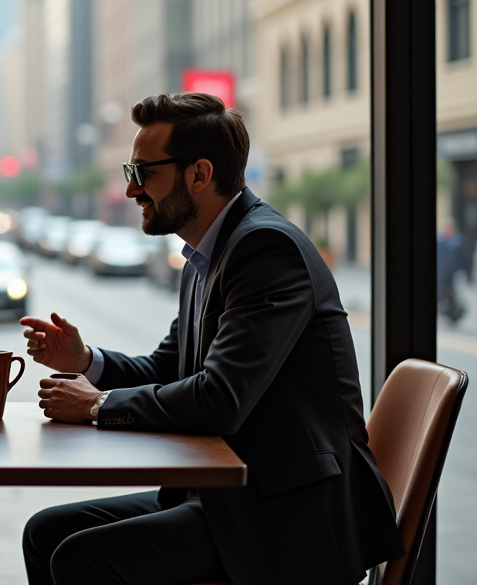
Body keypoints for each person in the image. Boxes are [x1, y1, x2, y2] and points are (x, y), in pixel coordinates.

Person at [20, 93, 403, 585]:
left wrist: (96, 406)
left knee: (81, 558)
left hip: (286, 519)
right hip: (226, 497)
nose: (132, 189)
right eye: (128, 171)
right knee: (45, 532)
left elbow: (220, 398)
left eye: (142, 173)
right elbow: (170, 367)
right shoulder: (206, 255)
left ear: (199, 175)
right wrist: (86, 360)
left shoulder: (267, 250)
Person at [437, 218, 466, 323]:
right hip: (440, 273)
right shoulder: (439, 241)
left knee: (451, 295)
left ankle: (452, 315)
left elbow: (462, 258)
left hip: (451, 273)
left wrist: (463, 271)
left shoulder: (457, 242)